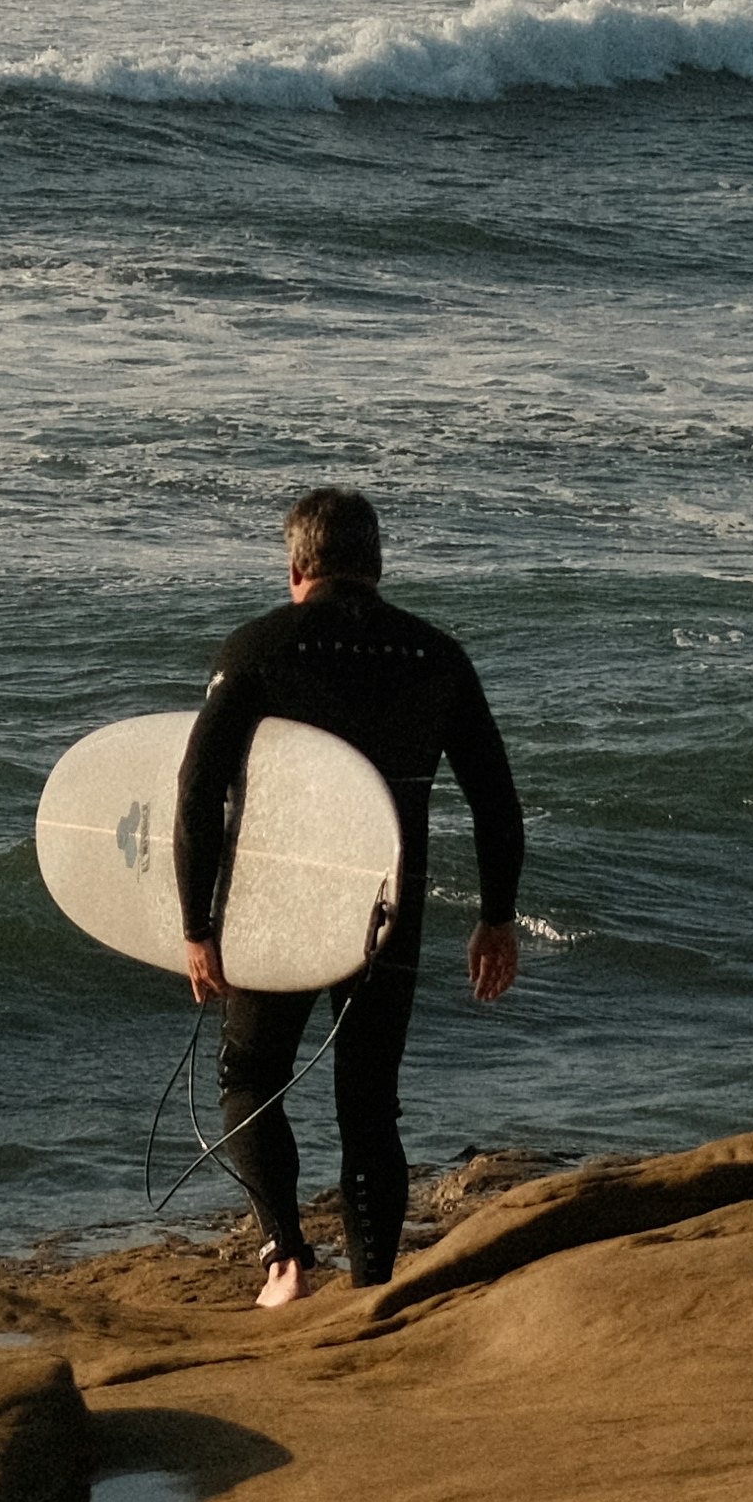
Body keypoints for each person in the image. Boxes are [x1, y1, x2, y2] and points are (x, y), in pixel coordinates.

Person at [175, 485, 527, 1306]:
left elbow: (197, 791)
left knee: (249, 1073)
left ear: (298, 565)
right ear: (377, 564)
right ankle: (374, 1288)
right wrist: (495, 916)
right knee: (370, 1104)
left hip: (277, 905)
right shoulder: (435, 656)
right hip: (385, 910)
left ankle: (287, 1260)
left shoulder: (258, 646)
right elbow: (495, 799)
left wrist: (196, 923)